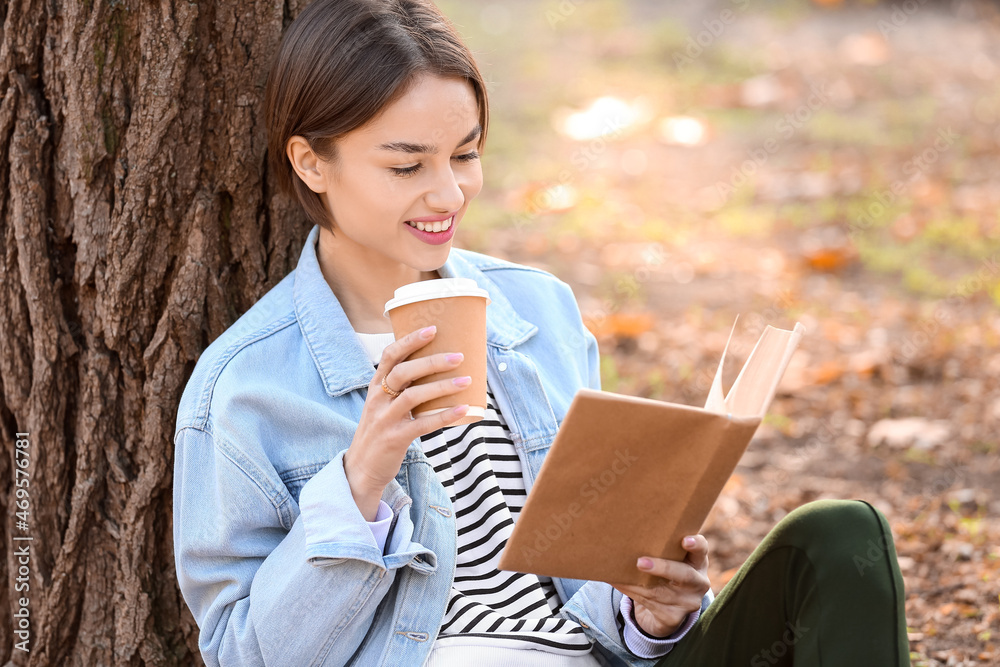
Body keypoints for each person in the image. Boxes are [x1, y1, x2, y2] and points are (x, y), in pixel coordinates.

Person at [171, 1, 911, 665]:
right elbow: (246, 655)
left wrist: (646, 613)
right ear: (311, 161)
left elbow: (589, 586)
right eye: (407, 165)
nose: (448, 192)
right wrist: (360, 482)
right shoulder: (245, 386)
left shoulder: (538, 313)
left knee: (844, 539)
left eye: (465, 154)